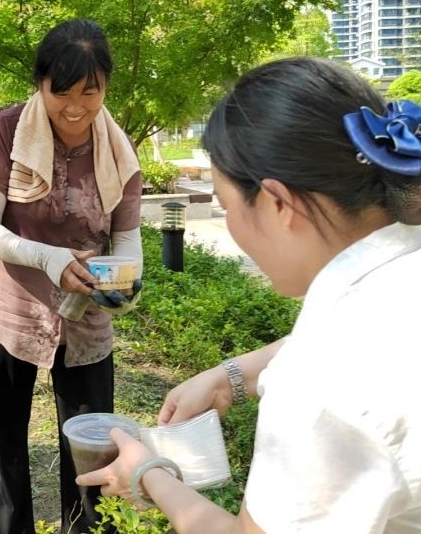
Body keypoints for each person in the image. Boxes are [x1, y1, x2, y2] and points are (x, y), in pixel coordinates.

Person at [77, 57, 421, 533]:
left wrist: (147, 473)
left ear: (279, 204)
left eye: (226, 206)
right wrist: (230, 378)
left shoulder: (318, 379)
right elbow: (378, 339)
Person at [0, 18, 144, 534]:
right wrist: (48, 258)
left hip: (84, 315)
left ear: (106, 86)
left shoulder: (118, 148)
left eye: (91, 91)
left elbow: (127, 236)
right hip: (6, 309)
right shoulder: (6, 132)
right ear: (40, 84)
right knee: (4, 446)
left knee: (91, 447)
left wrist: (127, 278)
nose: (76, 106)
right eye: (61, 91)